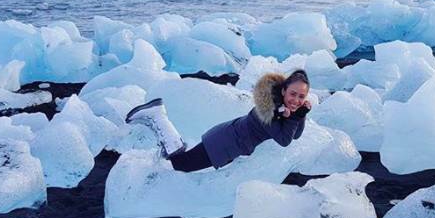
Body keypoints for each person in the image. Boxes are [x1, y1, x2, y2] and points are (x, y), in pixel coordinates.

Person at [125, 70, 311, 172]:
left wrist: (299, 114)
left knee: (183, 162)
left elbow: (296, 135)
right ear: (284, 90)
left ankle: (164, 132)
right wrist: (298, 115)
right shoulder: (267, 109)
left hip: (229, 140)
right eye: (293, 94)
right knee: (180, 165)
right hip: (224, 143)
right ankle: (157, 116)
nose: (296, 100)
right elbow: (284, 140)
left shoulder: (283, 108)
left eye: (301, 97)